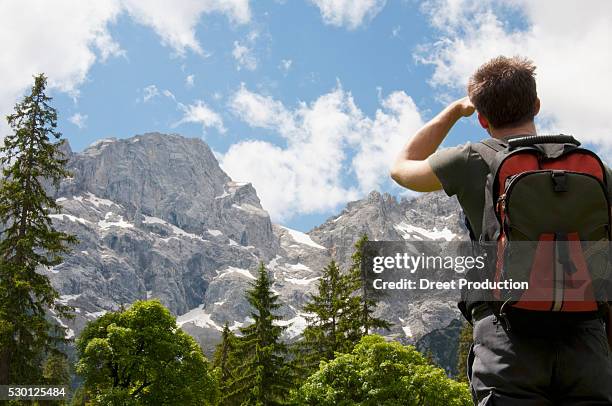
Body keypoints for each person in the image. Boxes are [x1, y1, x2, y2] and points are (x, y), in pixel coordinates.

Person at [390, 55, 612, 405]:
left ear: (481, 118)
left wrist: (452, 111)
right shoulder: (592, 169)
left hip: (506, 337)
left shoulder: (471, 159)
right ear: (536, 105)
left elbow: (402, 167)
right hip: (586, 340)